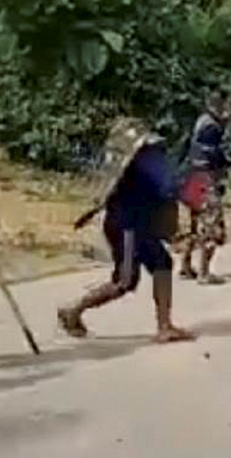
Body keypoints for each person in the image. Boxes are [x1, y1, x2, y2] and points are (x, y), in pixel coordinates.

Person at [60, 118, 193, 343]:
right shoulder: (146, 158)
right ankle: (73, 310)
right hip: (128, 226)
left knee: (162, 264)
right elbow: (168, 186)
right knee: (125, 281)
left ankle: (164, 326)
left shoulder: (124, 162)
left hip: (134, 223)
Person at [180, 91, 231, 285]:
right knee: (212, 226)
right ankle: (204, 272)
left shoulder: (201, 122)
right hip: (206, 179)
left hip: (192, 177)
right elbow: (213, 155)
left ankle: (186, 265)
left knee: (195, 223)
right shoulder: (211, 127)